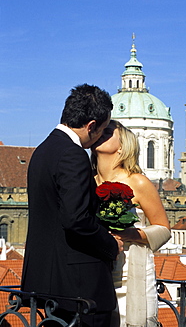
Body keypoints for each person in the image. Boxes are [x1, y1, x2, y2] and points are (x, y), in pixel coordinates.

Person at [21, 84, 123, 327]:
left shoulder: (43, 150)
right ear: (91, 126)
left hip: (48, 279)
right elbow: (75, 219)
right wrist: (110, 244)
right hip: (78, 285)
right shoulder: (72, 154)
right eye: (102, 130)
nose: (101, 136)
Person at [91, 120, 171, 327]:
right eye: (99, 129)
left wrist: (131, 234)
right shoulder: (87, 180)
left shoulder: (138, 181)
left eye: (108, 131)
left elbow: (163, 229)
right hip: (95, 269)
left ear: (123, 145)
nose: (101, 133)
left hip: (128, 271)